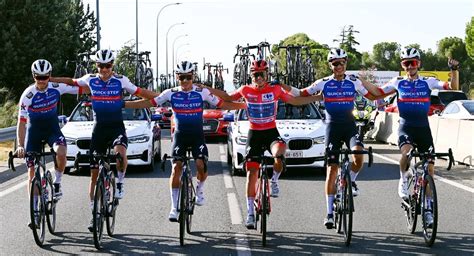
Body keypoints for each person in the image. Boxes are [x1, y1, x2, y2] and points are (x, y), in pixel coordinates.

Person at [197, 59, 322, 229]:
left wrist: (319, 97)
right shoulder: (245, 90)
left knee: (279, 154)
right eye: (255, 75)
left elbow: (295, 101)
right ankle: (249, 213)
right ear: (251, 76)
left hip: (271, 132)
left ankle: (275, 181)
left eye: (261, 74)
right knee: (251, 172)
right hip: (254, 134)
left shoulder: (275, 89)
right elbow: (227, 97)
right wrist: (206, 88)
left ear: (267, 74)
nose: (259, 78)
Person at [124, 61, 246, 222]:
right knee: (176, 168)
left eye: (188, 77)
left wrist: (244, 105)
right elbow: (149, 103)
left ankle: (200, 190)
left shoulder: (201, 92)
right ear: (177, 77)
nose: (186, 81)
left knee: (201, 165)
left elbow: (223, 104)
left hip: (197, 134)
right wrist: (125, 104)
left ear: (193, 76)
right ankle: (174, 207)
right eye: (182, 78)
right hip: (180, 135)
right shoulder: (170, 93)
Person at [51, 49, 158, 231]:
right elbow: (70, 82)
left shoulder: (121, 80)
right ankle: (93, 214)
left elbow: (140, 92)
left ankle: (121, 182)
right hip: (98, 129)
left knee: (120, 153)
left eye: (108, 66)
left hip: (116, 126)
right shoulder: (90, 79)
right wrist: (50, 79)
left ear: (112, 66)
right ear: (97, 66)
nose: (104, 69)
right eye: (101, 66)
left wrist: (162, 98)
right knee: (93, 175)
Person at [281, 48, 381, 229]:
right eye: (335, 63)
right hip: (332, 127)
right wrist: (283, 86)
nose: (339, 66)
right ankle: (329, 213)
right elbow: (301, 93)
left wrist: (392, 92)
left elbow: (373, 95)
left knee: (358, 157)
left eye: (342, 62)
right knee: (331, 170)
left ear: (346, 63)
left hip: (350, 126)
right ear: (331, 65)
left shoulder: (354, 81)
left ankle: (351, 181)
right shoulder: (324, 83)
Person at [362, 48, 459, 227]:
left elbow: (452, 87)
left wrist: (454, 71)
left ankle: (428, 210)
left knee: (429, 169)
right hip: (406, 126)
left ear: (419, 64)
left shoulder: (427, 82)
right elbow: (376, 92)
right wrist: (362, 81)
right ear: (402, 65)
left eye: (413, 62)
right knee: (406, 154)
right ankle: (404, 178)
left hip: (423, 129)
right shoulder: (397, 81)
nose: (410, 66)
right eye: (406, 63)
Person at [16, 59, 87, 227]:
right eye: (38, 77)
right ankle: (34, 211)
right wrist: (20, 145)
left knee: (62, 152)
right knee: (31, 171)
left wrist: (99, 85)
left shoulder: (56, 87)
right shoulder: (27, 95)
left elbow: (81, 87)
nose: (42, 81)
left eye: (45, 77)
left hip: (52, 130)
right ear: (34, 76)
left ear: (50, 76)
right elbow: (21, 122)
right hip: (33, 133)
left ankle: (57, 182)